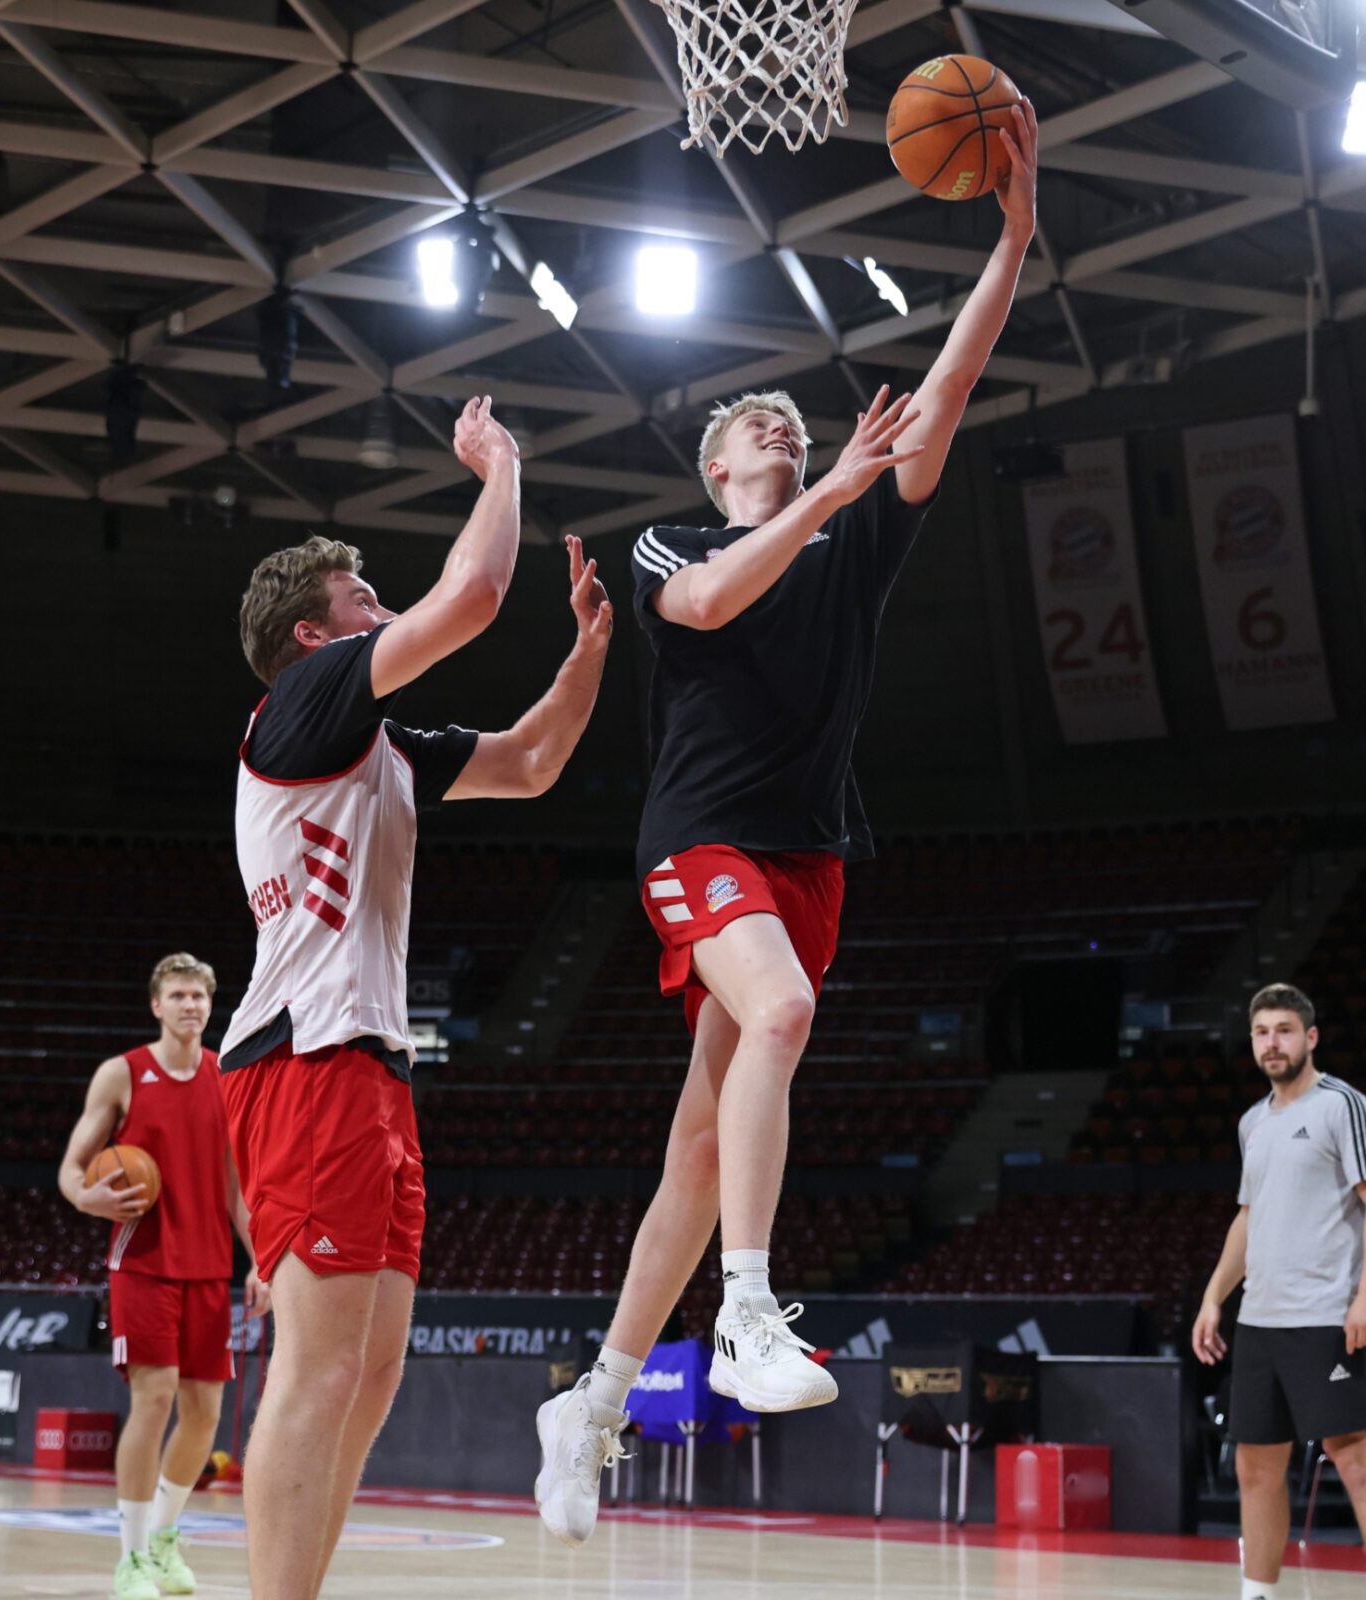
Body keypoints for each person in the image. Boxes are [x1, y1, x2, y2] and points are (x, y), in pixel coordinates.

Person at [533, 103, 1042, 1546]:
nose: (784, 418)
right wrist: (824, 483)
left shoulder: (860, 529)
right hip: (697, 835)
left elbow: (943, 392)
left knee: (700, 1140)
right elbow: (705, 609)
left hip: (808, 847)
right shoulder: (673, 543)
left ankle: (597, 1402)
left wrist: (1009, 238)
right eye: (757, 422)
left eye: (794, 420)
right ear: (719, 470)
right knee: (787, 1010)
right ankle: (749, 1312)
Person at [220, 394, 613, 1600]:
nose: (381, 611)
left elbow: (534, 763)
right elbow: (474, 597)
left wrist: (589, 653)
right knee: (322, 1369)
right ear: (311, 637)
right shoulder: (306, 703)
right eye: (361, 599)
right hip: (306, 1060)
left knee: (371, 1373)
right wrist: (500, 463)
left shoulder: (375, 744)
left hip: (368, 1071)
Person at [60, 951, 269, 1600]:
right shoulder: (121, 1075)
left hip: (209, 1266)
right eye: (178, 996)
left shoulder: (227, 1076)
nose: (190, 1006)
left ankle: (165, 1538)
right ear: (157, 1005)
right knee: (153, 1400)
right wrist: (84, 1197)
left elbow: (239, 1185)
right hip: (143, 1261)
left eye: (199, 997)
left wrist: (260, 1256)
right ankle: (129, 1560)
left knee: (206, 1415)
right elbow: (73, 1167)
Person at [1191, 983, 1366, 1600]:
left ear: (1310, 1037)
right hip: (1260, 1320)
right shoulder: (1252, 1122)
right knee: (1255, 1466)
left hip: (1326, 1315)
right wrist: (1215, 1296)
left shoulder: (1341, 1105)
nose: (1273, 1042)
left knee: (1355, 1458)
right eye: (1263, 1031)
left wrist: (1365, 1297)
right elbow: (1249, 1216)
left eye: (1285, 1030)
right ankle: (1258, 1595)